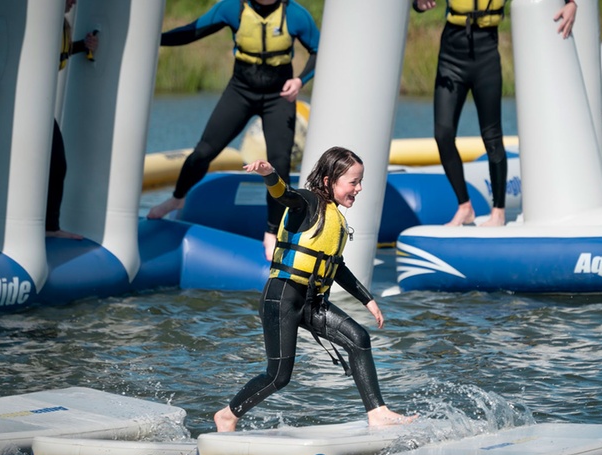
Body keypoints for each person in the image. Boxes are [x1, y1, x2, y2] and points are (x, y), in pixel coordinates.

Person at [213, 147, 414, 432]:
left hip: (310, 302)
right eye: (353, 182)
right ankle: (228, 415)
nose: (359, 188)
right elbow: (286, 195)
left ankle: (378, 412)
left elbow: (335, 266)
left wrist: (368, 300)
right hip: (281, 297)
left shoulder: (335, 218)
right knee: (278, 377)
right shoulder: (308, 202)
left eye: (360, 182)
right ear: (329, 181)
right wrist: (270, 175)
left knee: (359, 338)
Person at [147, 0, 320, 261]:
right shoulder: (232, 8)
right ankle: (177, 198)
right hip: (241, 91)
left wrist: (300, 80)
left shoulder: (294, 14)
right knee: (204, 151)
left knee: (280, 163)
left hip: (279, 95)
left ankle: (272, 232)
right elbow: (192, 31)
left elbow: (320, 49)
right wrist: (151, 39)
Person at [412, 0, 577, 226]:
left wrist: (571, 3)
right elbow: (418, 4)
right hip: (451, 52)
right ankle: (464, 207)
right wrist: (419, 3)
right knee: (443, 134)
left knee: (492, 137)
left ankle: (498, 212)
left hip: (486, 52)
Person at [48, 0, 98, 239]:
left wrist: (82, 45)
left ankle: (49, 227)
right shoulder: (45, 24)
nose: (73, 2)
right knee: (57, 164)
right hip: (26, 105)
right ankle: (50, 228)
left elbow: (60, 53)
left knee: (56, 165)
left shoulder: (59, 26)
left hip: (39, 109)